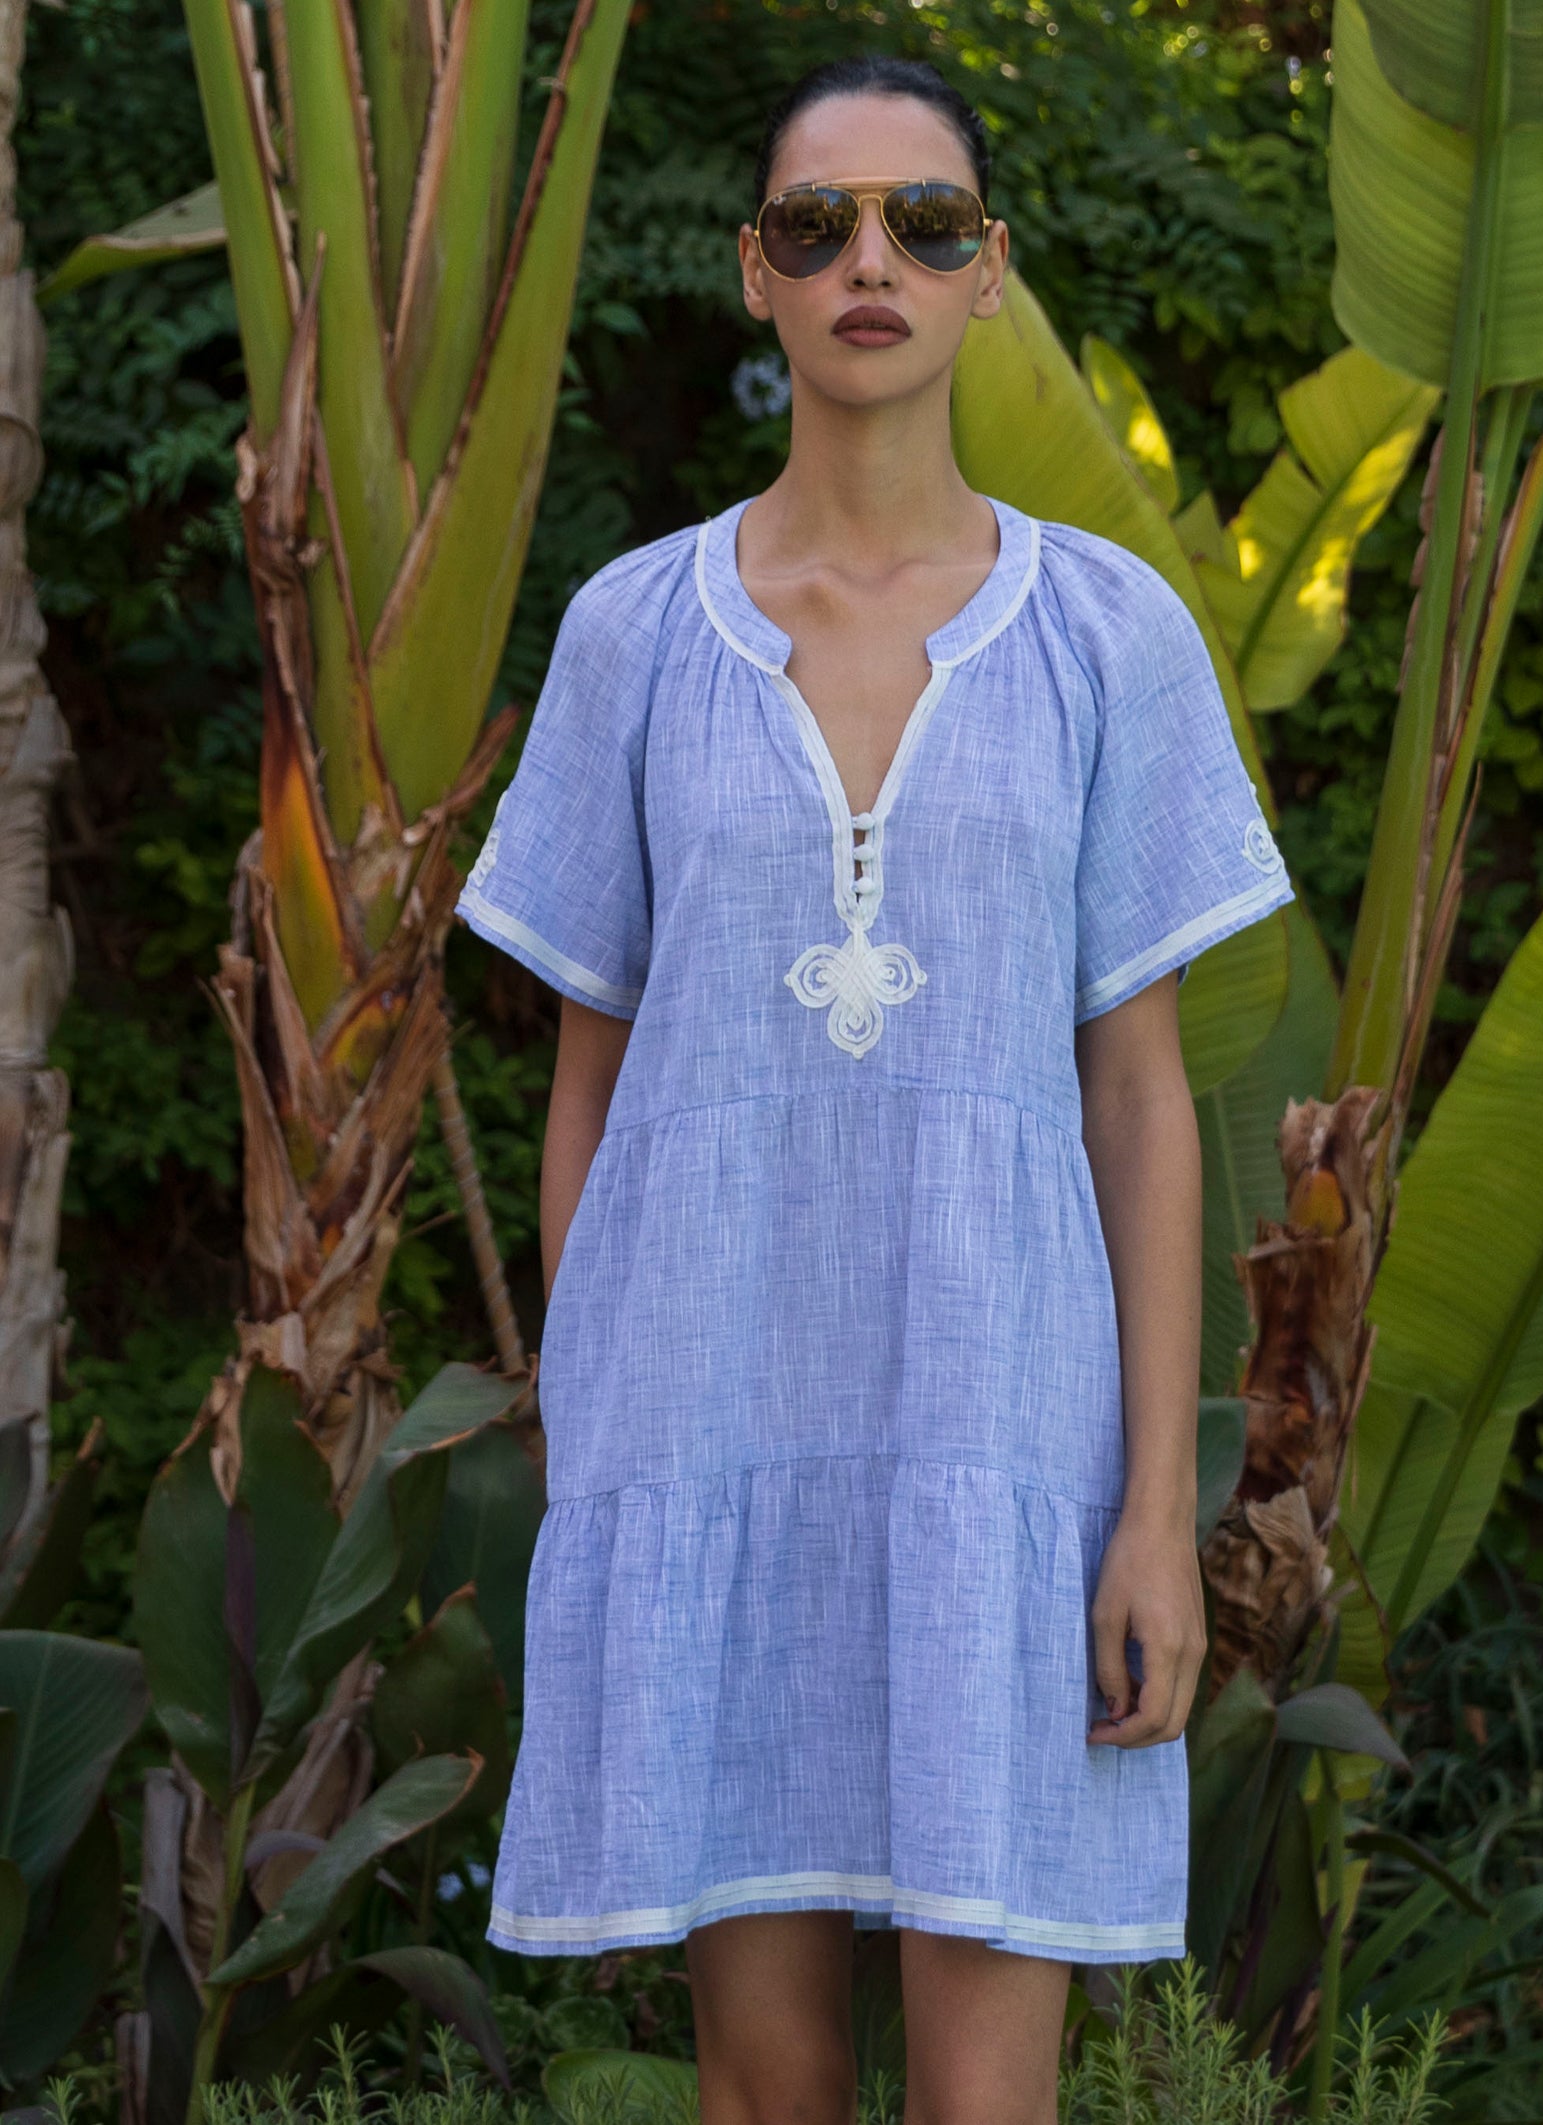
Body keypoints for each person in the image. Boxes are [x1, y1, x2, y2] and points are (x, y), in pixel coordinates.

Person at [456, 51, 1294, 2125]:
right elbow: (594, 1085)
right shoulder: (631, 634)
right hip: (709, 1443)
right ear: (754, 273)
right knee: (761, 2095)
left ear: (985, 274)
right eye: (818, 223)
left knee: (983, 2102)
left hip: (1002, 1456)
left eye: (923, 223)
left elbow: (1139, 1102)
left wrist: (1151, 1522)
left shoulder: (1107, 637)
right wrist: (599, 1448)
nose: (869, 262)